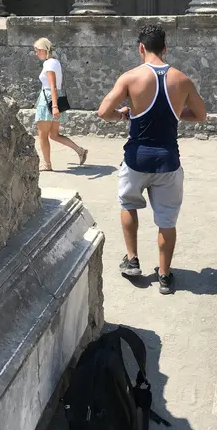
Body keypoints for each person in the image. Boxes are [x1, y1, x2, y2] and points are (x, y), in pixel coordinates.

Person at [98, 24, 206, 294]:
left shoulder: (130, 78)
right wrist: (176, 113)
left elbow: (103, 111)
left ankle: (132, 260)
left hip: (136, 159)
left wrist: (122, 115)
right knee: (167, 220)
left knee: (128, 204)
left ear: (141, 48)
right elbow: (201, 115)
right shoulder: (182, 80)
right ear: (165, 48)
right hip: (168, 161)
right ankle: (165, 276)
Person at [34, 38, 88, 171]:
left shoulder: (49, 64)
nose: (36, 53)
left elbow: (52, 86)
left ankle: (46, 164)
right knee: (54, 134)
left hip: (48, 99)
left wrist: (54, 107)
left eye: (37, 51)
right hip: (55, 97)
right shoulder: (55, 62)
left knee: (43, 135)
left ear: (43, 50)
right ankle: (80, 150)